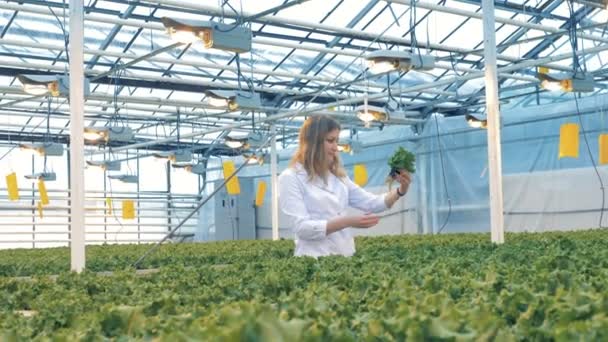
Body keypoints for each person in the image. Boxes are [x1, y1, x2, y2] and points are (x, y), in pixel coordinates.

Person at [278, 115, 412, 257]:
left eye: (336, 141)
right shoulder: (291, 177)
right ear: (312, 143)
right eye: (330, 141)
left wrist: (400, 191)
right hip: (313, 259)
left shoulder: (338, 177)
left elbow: (371, 203)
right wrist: (346, 222)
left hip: (345, 256)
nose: (335, 147)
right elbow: (302, 228)